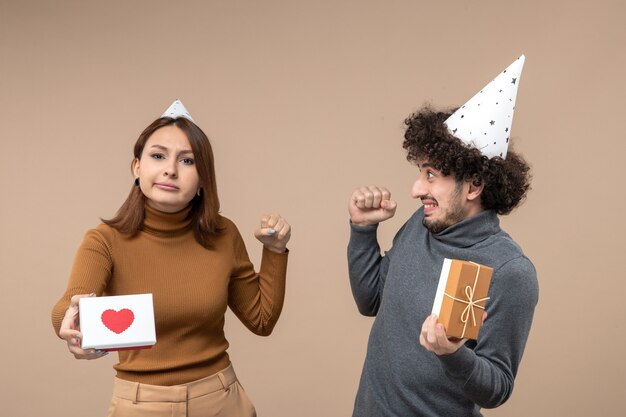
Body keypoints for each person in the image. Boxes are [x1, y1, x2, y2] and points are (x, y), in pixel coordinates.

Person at [51, 100, 291, 417]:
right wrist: (68, 322)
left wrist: (275, 252)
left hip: (220, 401)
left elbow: (262, 320)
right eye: (158, 155)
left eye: (188, 160)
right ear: (137, 167)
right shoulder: (105, 240)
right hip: (138, 405)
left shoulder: (224, 234)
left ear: (203, 178)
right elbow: (70, 303)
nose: (170, 169)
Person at [347, 56, 538, 416]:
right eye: (421, 172)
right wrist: (362, 229)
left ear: (474, 185)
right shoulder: (422, 225)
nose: (417, 189)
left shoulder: (510, 270)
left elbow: (496, 388)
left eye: (431, 175)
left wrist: (453, 354)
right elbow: (370, 300)